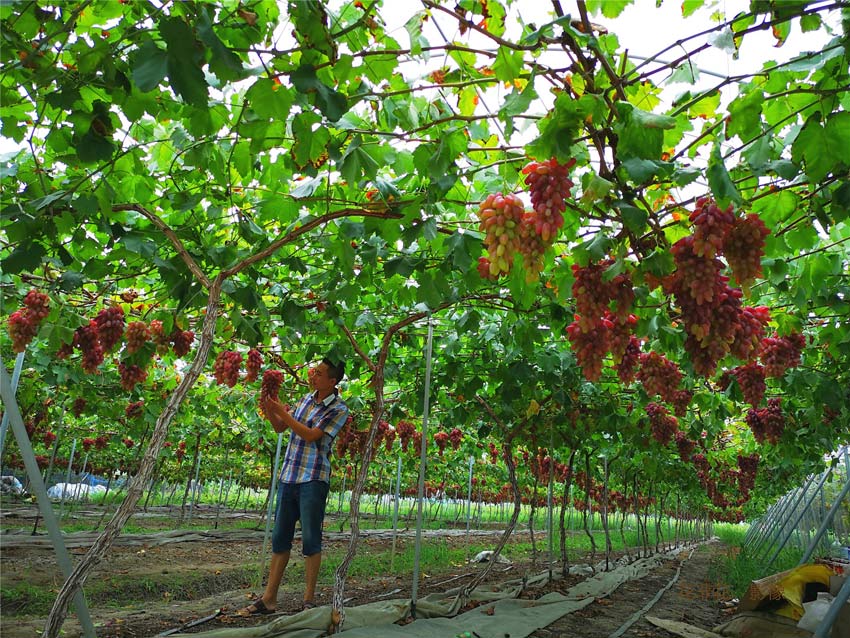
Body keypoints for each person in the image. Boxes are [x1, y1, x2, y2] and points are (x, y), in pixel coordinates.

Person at [238, 357, 349, 615]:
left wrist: (282, 412)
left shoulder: (339, 409)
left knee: (311, 539)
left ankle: (308, 599)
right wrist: (270, 409)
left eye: (320, 374)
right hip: (289, 476)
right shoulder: (305, 400)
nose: (314, 376)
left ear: (332, 381)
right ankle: (269, 599)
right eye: (315, 372)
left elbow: (311, 435)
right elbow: (280, 428)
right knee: (280, 538)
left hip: (313, 478)